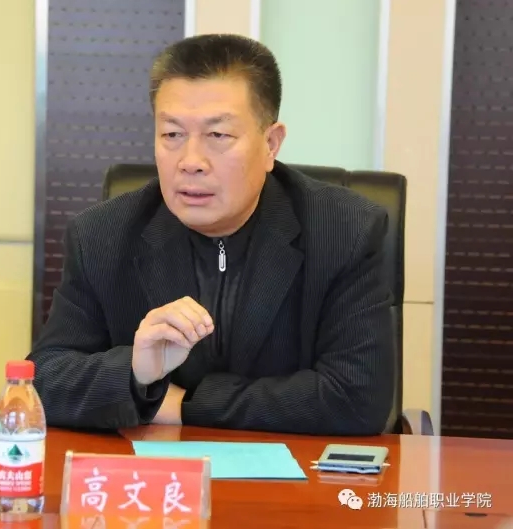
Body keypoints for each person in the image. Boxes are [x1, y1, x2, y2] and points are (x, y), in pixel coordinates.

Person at [28, 33, 396, 436]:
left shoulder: (344, 232)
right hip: (154, 473)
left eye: (218, 136)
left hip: (292, 473)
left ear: (271, 144)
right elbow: (43, 383)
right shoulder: (103, 236)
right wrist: (135, 371)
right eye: (172, 135)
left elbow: (356, 399)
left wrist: (183, 404)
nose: (191, 162)